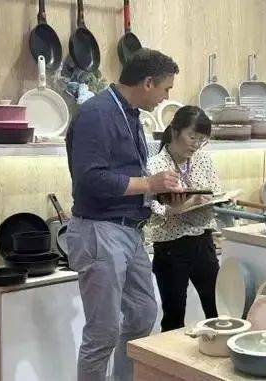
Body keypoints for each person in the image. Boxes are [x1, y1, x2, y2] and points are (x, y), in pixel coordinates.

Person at [65, 48, 182, 381]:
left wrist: (157, 190)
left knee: (143, 314)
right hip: (100, 231)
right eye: (166, 89)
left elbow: (125, 174)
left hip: (130, 231)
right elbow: (90, 179)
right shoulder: (96, 114)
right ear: (148, 83)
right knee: (102, 332)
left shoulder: (129, 114)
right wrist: (149, 183)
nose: (166, 97)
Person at [146, 106, 221, 332]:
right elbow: (151, 208)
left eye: (202, 140)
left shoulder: (204, 160)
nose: (196, 144)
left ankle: (216, 350)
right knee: (174, 316)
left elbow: (216, 192)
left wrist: (214, 200)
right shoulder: (155, 165)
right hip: (170, 247)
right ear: (175, 131)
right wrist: (177, 208)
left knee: (218, 308)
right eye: (192, 137)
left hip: (203, 242)